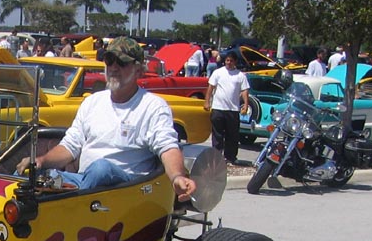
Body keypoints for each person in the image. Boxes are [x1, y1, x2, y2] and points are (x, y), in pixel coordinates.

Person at [18, 37, 196, 200]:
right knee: (28, 175)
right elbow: (70, 146)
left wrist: (177, 177)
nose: (114, 68)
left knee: (101, 168)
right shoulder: (92, 102)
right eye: (110, 60)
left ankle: (71, 206)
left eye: (122, 62)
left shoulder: (153, 106)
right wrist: (40, 161)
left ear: (138, 70)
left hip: (128, 190)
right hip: (85, 182)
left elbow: (168, 147)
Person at [205, 50, 250, 165]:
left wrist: (245, 105)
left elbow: (244, 90)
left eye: (231, 61)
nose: (229, 63)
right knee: (217, 135)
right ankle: (216, 157)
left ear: (235, 62)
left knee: (232, 135)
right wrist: (207, 102)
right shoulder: (218, 72)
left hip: (232, 110)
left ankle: (230, 157)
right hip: (218, 108)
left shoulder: (240, 76)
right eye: (227, 60)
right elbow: (210, 87)